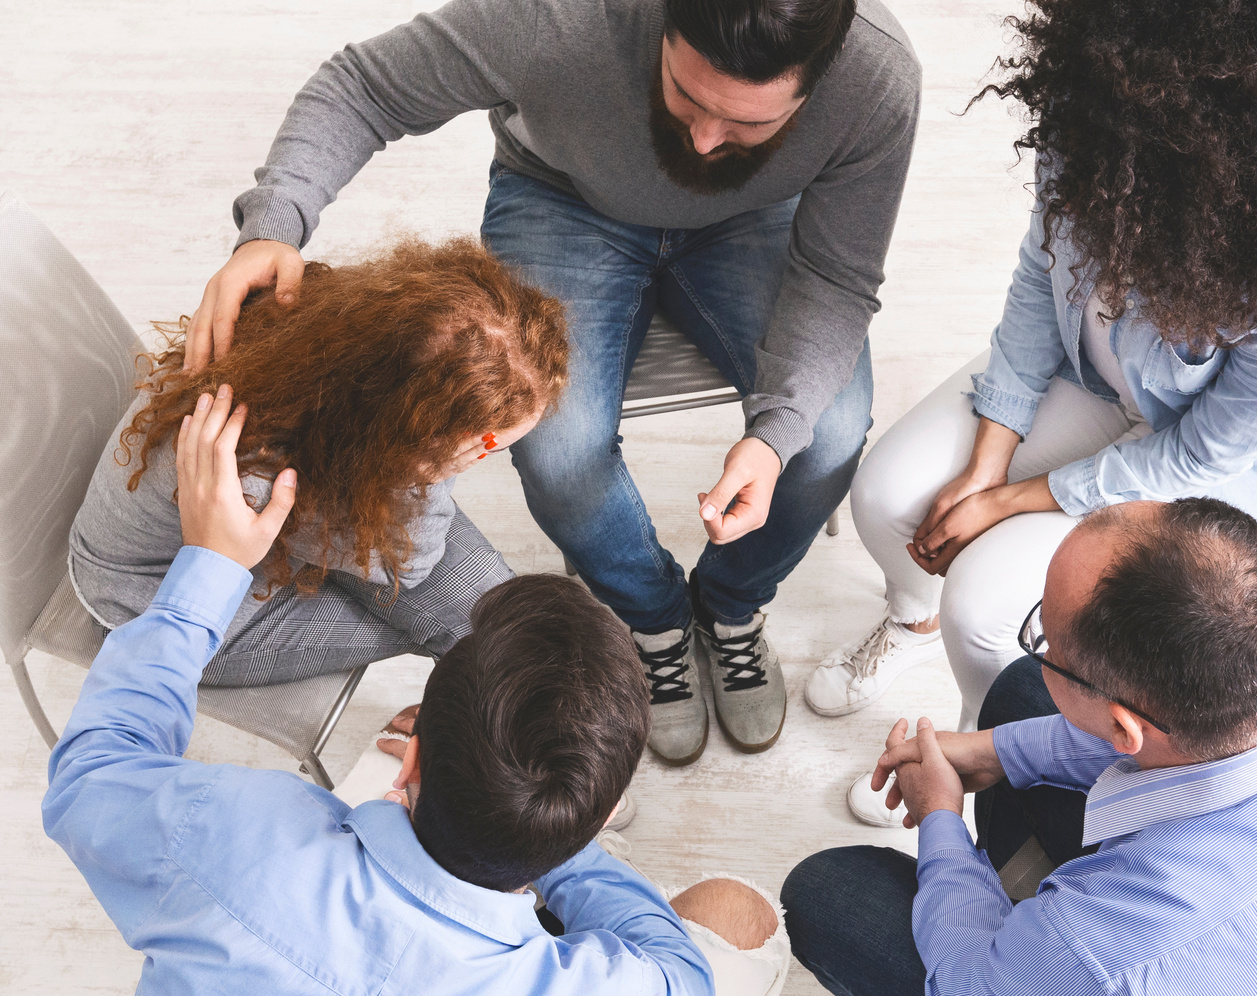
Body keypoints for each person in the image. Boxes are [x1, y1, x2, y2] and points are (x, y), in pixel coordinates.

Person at [182, 0, 922, 764]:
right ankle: (653, 620)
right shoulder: (553, 15)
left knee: (825, 431)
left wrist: (776, 435)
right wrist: (273, 224)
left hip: (756, 221)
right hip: (562, 199)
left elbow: (837, 274)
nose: (703, 141)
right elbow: (364, 86)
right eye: (686, 94)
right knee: (557, 445)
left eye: (748, 124)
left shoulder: (875, 76)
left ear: (816, 82)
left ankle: (732, 606)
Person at [805, 0, 1257, 818]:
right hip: (1102, 376)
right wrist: (988, 453)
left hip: (1222, 453)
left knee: (987, 608)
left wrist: (1007, 499)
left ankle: (977, 753)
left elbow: (1201, 457)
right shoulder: (1098, 134)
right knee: (889, 495)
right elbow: (1038, 279)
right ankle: (911, 620)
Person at [44, 393, 786, 995]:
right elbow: (680, 975)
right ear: (598, 812)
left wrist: (207, 566)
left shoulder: (235, 834)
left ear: (412, 762)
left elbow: (91, 772)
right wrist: (552, 839)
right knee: (738, 912)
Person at [782, 497, 1257, 995]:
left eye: (1044, 637)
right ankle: (1017, 883)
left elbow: (965, 980)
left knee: (828, 896)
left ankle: (1017, 923)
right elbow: (1194, 735)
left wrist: (938, 816)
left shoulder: (1097, 954)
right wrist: (994, 753)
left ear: (1122, 728)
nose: (1041, 645)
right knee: (1023, 694)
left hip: (1090, 966)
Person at [69, 236, 564, 689]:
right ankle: (472, 738)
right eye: (488, 445)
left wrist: (435, 452)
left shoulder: (335, 339)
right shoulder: (259, 479)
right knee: (472, 631)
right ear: (407, 432)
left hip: (293, 514)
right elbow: (415, 563)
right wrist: (439, 468)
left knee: (500, 624)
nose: (487, 457)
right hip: (169, 606)